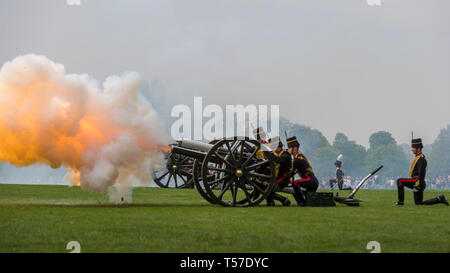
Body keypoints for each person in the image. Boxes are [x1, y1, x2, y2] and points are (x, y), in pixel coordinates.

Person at [393, 138, 448, 206]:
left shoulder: (421, 159)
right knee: (419, 203)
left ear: (418, 148)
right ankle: (439, 199)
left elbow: (421, 173)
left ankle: (400, 202)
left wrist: (417, 185)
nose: (412, 149)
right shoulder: (417, 157)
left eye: (413, 147)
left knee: (400, 181)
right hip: (417, 182)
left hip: (417, 182)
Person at [286, 136, 319, 206]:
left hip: (310, 180)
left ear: (295, 148)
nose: (288, 149)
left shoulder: (298, 159)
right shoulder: (298, 157)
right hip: (311, 180)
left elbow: (291, 173)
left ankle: (301, 203)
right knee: (309, 202)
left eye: (289, 148)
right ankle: (301, 202)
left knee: (295, 183)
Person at [265, 138, 291, 206]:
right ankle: (270, 202)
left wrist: (270, 153)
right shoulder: (278, 153)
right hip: (277, 177)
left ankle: (284, 200)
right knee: (264, 186)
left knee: (267, 189)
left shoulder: (286, 154)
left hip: (283, 178)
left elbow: (279, 160)